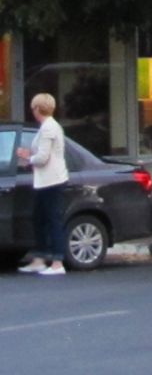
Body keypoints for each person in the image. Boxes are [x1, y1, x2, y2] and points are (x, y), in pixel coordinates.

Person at [16, 93, 70, 275]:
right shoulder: (48, 127)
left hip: (52, 180)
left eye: (33, 108)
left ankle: (57, 263)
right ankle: (40, 258)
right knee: (39, 219)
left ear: (38, 108)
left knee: (53, 220)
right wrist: (30, 157)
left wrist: (27, 157)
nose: (32, 111)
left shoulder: (48, 128)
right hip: (44, 180)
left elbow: (42, 157)